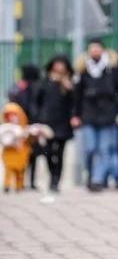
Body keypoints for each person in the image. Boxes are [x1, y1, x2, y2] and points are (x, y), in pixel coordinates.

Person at [72, 39, 118, 192]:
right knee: (89, 148)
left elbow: (117, 90)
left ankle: (97, 179)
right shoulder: (83, 71)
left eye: (97, 48)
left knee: (104, 149)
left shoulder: (111, 69)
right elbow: (77, 96)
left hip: (107, 116)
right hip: (88, 116)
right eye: (92, 49)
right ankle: (91, 174)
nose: (94, 51)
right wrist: (76, 115)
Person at [29, 55, 74, 195]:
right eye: (57, 64)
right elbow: (35, 102)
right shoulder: (44, 82)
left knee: (60, 153)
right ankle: (52, 175)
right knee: (47, 152)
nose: (59, 67)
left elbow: (75, 102)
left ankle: (56, 181)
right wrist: (36, 120)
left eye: (62, 64)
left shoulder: (69, 83)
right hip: (47, 123)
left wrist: (68, 87)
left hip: (63, 122)